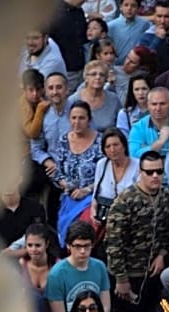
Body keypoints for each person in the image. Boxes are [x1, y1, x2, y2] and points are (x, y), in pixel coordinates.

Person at [105, 150, 169, 312]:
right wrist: (121, 279)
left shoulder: (165, 196)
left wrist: (163, 254)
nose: (155, 176)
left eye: (159, 172)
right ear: (140, 172)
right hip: (129, 276)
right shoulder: (125, 201)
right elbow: (113, 243)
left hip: (152, 273)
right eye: (149, 172)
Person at [54, 101, 103, 243]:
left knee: (83, 229)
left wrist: (86, 190)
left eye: (81, 118)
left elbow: (106, 174)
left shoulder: (100, 141)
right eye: (73, 118)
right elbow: (58, 173)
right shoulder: (64, 139)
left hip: (92, 197)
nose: (77, 122)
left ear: (89, 119)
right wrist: (68, 186)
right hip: (69, 196)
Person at [46, 220, 111, 312]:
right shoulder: (56, 273)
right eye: (77, 246)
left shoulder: (100, 267)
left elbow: (106, 304)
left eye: (86, 246)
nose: (82, 251)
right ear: (68, 245)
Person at [29, 71, 71, 224]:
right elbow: (36, 147)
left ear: (67, 89)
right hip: (51, 169)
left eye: (59, 87)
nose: (55, 92)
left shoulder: (77, 112)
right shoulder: (43, 114)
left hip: (74, 167)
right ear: (46, 91)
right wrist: (49, 162)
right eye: (51, 88)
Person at [128, 87, 169, 166]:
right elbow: (133, 156)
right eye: (154, 104)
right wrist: (160, 142)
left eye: (162, 104)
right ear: (148, 105)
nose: (158, 108)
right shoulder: (139, 128)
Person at [90, 128, 140, 235]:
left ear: (124, 145)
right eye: (108, 146)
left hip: (129, 220)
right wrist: (94, 212)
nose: (112, 149)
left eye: (116, 144)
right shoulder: (101, 164)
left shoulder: (138, 166)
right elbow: (95, 195)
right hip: (104, 222)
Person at [18, 223, 60, 312]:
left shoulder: (58, 266)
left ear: (46, 244)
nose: (33, 250)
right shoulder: (21, 265)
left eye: (38, 245)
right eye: (30, 245)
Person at [69, 62, 121, 134]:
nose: (98, 77)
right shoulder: (73, 100)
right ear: (86, 78)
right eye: (93, 74)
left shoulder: (114, 99)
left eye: (102, 75)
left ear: (105, 79)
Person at [47, 0, 87, 92]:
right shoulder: (53, 14)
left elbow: (83, 39)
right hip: (63, 69)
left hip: (81, 68)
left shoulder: (79, 12)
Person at [140, 0, 169, 74]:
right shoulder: (146, 37)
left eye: (166, 16)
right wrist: (158, 39)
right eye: (159, 16)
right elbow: (145, 62)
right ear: (154, 16)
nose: (162, 21)